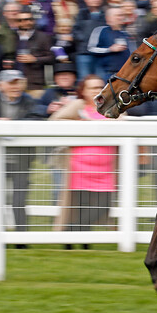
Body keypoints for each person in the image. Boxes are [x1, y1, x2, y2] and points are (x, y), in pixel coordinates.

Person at [0, 70, 41, 246]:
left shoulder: (29, 101)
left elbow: (39, 118)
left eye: (18, 82)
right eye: (11, 83)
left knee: (19, 200)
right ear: (0, 85)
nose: (15, 86)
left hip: (21, 159)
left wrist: (13, 125)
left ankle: (21, 240)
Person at [50, 74, 118, 249]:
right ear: (83, 91)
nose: (97, 90)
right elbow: (55, 120)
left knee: (102, 207)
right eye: (92, 88)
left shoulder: (112, 105)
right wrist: (80, 125)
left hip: (106, 170)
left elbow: (122, 124)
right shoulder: (78, 106)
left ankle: (71, 232)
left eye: (99, 87)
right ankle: (81, 244)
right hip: (80, 167)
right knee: (80, 206)